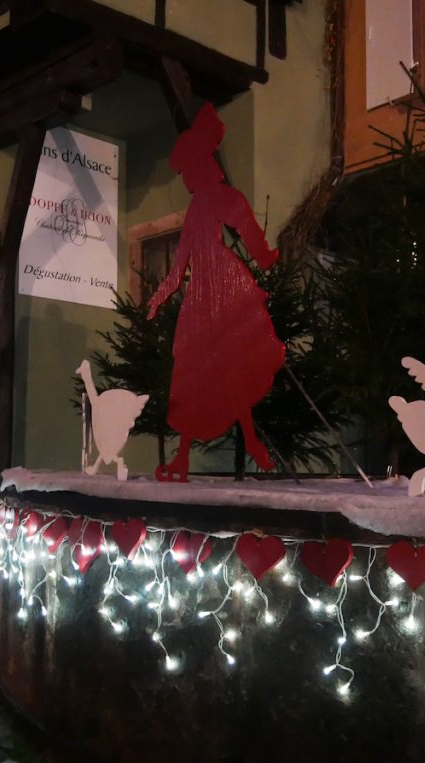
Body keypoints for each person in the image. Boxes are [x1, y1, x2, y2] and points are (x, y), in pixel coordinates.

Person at [147, 103, 285, 482]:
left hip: (226, 290)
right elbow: (180, 267)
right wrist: (160, 296)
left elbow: (256, 243)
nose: (186, 180)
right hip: (201, 296)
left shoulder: (227, 198)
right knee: (194, 371)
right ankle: (186, 456)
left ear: (201, 166)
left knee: (230, 364)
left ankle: (250, 440)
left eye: (187, 171)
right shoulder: (194, 210)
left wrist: (271, 257)